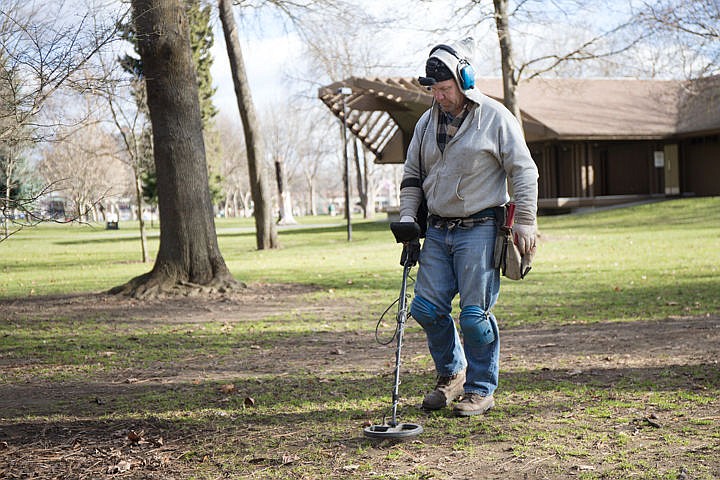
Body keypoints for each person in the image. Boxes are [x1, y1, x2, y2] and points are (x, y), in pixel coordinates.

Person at [398, 38, 538, 416]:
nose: (439, 96)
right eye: (434, 89)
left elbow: (523, 170)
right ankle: (452, 374)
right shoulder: (426, 124)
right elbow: (413, 175)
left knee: (474, 316)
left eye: (445, 89)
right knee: (426, 309)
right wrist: (409, 219)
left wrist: (525, 220)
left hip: (480, 228)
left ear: (465, 80)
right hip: (439, 230)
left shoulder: (495, 117)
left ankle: (480, 388)